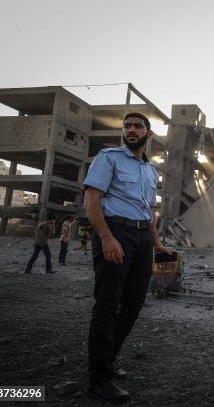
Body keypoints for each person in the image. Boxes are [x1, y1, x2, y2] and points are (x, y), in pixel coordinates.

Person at [82, 112, 171, 401]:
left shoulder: (151, 170)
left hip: (142, 238)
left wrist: (156, 244)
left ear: (149, 134)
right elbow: (92, 199)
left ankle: (109, 360)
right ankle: (98, 380)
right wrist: (107, 237)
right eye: (128, 126)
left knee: (133, 304)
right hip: (116, 232)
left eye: (138, 126)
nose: (132, 130)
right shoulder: (108, 158)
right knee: (108, 305)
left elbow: (150, 211)